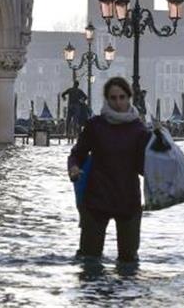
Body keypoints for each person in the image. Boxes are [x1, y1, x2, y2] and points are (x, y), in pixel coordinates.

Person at [67, 76, 152, 264]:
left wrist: (160, 147)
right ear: (107, 99)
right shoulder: (95, 125)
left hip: (128, 199)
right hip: (97, 197)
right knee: (89, 258)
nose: (118, 102)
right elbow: (77, 154)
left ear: (129, 98)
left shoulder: (139, 130)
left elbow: (143, 168)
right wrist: (74, 169)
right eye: (113, 98)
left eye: (122, 97)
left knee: (129, 260)